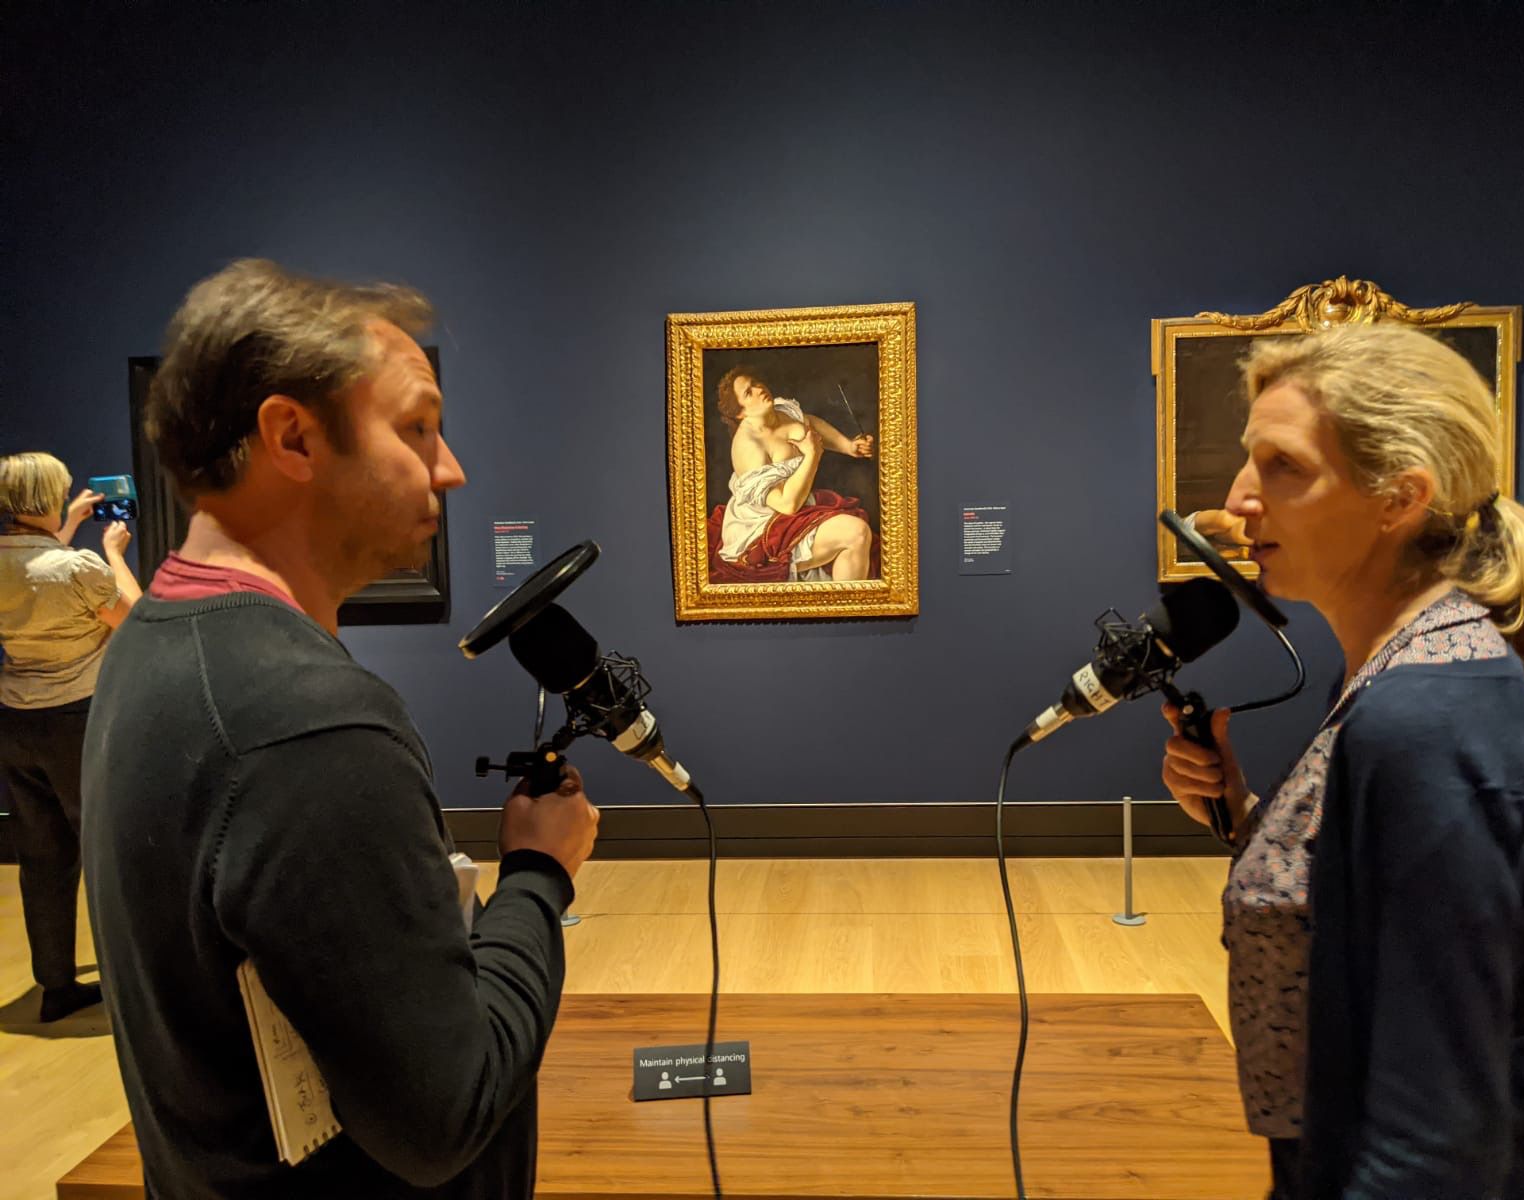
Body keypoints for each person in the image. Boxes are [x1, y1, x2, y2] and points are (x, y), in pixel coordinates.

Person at [81, 259, 600, 1198]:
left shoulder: (151, 641)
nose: (451, 466)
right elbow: (444, 1116)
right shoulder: (307, 724)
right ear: (293, 437)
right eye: (417, 428)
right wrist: (538, 875)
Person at [1159, 323, 1524, 1198]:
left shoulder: (1428, 721)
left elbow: (1435, 1141)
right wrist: (1245, 816)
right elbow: (1361, 920)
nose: (1240, 497)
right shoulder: (1397, 670)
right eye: (1250, 461)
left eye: (1284, 466)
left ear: (1399, 497)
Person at [0, 452, 141, 1021]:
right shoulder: (79, 565)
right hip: (76, 720)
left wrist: (68, 528)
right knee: (107, 851)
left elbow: (33, 569)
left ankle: (55, 985)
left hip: (14, 720)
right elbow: (135, 618)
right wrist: (109, 552)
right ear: (41, 500)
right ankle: (133, 979)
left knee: (42, 856)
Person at [707, 366, 878, 582]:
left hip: (800, 507)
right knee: (857, 533)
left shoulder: (780, 410)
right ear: (740, 413)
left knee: (859, 535)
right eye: (749, 393)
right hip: (766, 529)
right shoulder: (748, 447)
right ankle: (846, 609)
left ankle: (845, 605)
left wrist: (848, 446)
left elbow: (809, 423)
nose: (760, 390)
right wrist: (812, 455)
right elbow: (786, 505)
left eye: (756, 383)